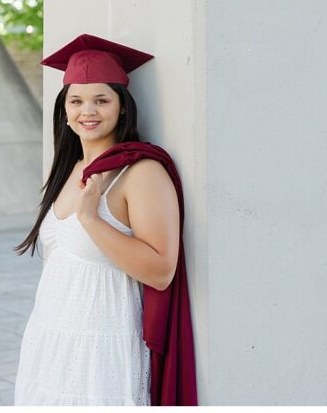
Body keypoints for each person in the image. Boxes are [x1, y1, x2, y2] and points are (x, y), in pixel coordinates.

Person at [13, 34, 197, 405]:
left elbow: (162, 269)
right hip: (50, 339)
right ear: (64, 110)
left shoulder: (141, 172)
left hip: (102, 348)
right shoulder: (69, 169)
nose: (88, 111)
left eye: (102, 100)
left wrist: (91, 220)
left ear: (123, 107)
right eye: (76, 100)